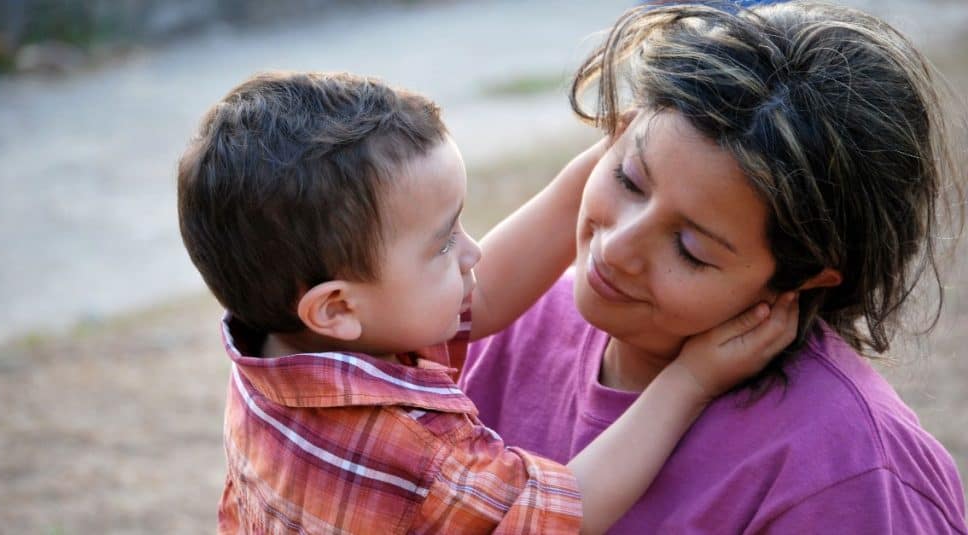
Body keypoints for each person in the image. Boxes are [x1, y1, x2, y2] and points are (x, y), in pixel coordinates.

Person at [177, 71, 798, 534]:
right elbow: (568, 512)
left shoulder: (284, 352)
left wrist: (624, 155)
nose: (471, 252)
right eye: (444, 242)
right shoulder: (413, 451)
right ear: (336, 307)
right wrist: (689, 380)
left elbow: (488, 292)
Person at [461, 2, 968, 533]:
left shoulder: (848, 474)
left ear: (807, 274)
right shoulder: (507, 330)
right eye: (630, 179)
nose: (616, 250)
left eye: (690, 249)